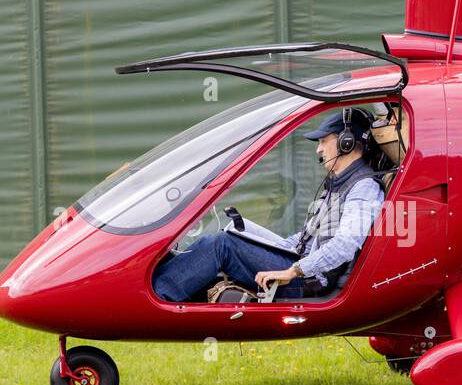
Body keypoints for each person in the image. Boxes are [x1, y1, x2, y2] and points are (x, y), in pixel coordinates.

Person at [153, 110, 385, 302]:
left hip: (309, 279)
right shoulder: (339, 184)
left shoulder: (363, 188)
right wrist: (271, 246)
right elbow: (308, 237)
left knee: (220, 245)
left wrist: (291, 271)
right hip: (301, 266)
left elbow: (345, 245)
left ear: (347, 142)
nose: (318, 149)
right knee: (230, 235)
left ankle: (157, 297)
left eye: (324, 141)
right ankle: (157, 286)